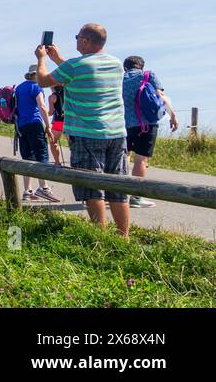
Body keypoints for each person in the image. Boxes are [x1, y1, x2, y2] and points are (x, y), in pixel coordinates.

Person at [36, 24, 129, 237]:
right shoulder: (115, 64)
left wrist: (41, 58)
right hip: (116, 133)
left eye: (78, 37)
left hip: (87, 133)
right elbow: (83, 72)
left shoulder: (75, 66)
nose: (76, 40)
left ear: (86, 41)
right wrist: (58, 59)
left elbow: (43, 80)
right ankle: (123, 237)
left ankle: (101, 237)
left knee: (91, 187)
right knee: (118, 187)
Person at [121, 55, 179, 209]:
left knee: (123, 157)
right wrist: (173, 116)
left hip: (123, 125)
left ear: (125, 67)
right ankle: (136, 198)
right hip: (146, 124)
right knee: (141, 160)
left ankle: (116, 193)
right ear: (141, 66)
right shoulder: (147, 75)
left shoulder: (120, 79)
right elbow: (161, 96)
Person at [13, 65, 59, 202]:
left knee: (27, 157)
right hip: (34, 123)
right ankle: (43, 188)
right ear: (36, 74)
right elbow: (42, 106)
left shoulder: (19, 88)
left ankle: (27, 191)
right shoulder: (36, 87)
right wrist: (48, 126)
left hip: (21, 125)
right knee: (41, 155)